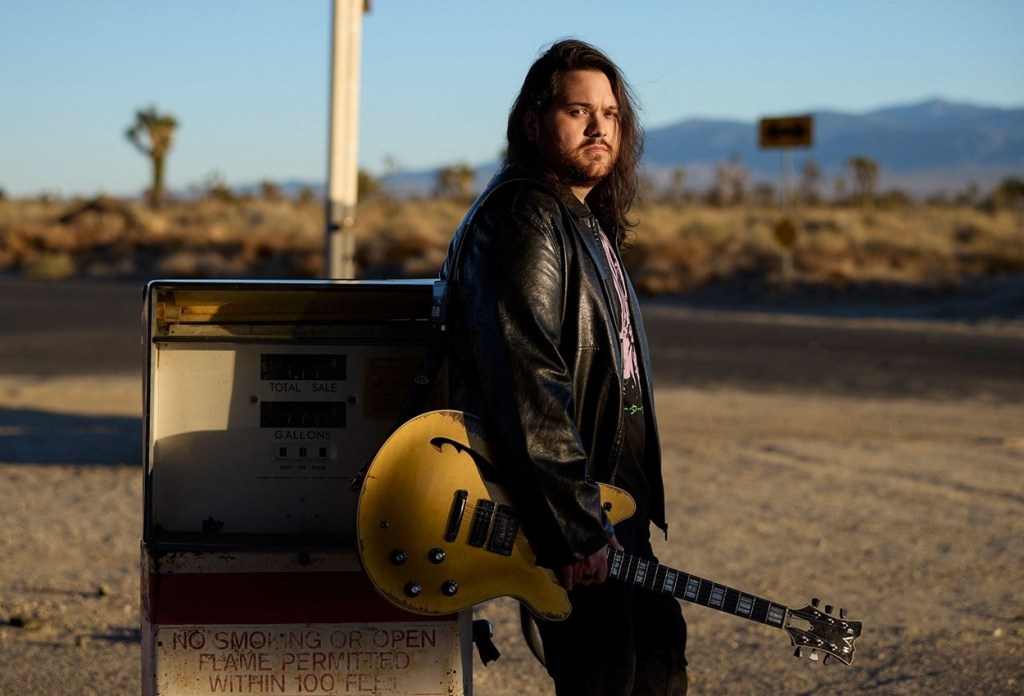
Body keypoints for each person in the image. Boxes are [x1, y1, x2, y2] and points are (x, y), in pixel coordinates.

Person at [438, 39, 688, 695]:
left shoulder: (577, 218)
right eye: (579, 110)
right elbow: (527, 382)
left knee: (655, 655)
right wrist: (576, 529)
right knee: (608, 676)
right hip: (579, 511)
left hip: (610, 503)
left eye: (611, 113)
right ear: (532, 123)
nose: (601, 126)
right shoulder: (526, 215)